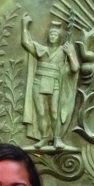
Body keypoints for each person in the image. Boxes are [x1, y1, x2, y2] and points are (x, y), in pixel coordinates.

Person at [22, 15, 79, 148]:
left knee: (54, 112)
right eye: (51, 34)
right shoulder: (41, 49)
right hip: (39, 82)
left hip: (54, 83)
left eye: (55, 34)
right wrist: (24, 27)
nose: (52, 36)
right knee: (41, 112)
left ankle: (57, 138)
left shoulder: (63, 51)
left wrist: (70, 53)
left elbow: (75, 68)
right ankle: (44, 138)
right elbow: (26, 43)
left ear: (59, 37)